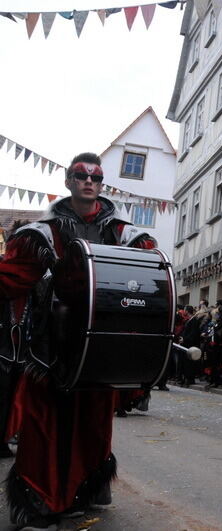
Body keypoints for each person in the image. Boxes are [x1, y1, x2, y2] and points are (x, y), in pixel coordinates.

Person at [0, 152, 156, 529]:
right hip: (51, 346)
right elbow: (12, 277)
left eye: (95, 177)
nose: (89, 181)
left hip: (99, 349)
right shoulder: (42, 234)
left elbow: (148, 281)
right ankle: (40, 503)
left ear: (101, 185)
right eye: (81, 176)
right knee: (44, 426)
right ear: (68, 182)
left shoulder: (127, 235)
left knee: (92, 425)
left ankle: (78, 494)